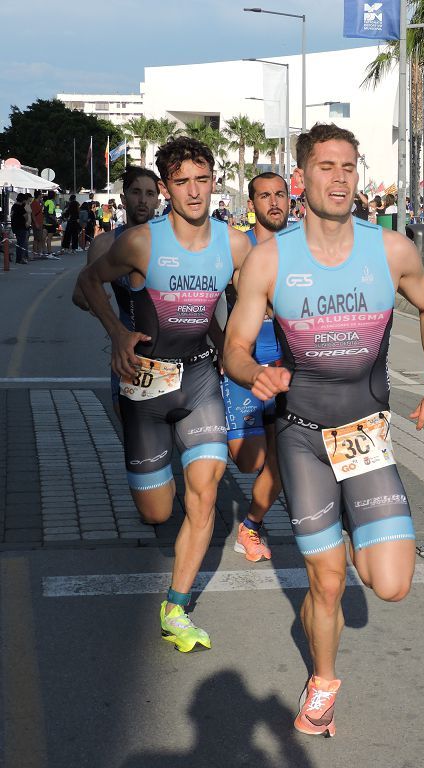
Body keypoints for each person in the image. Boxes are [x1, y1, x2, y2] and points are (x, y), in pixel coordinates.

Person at [222, 123, 424, 737]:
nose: (340, 176)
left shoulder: (391, 249)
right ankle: (322, 682)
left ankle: (348, 536)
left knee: (391, 584)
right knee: (327, 582)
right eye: (326, 166)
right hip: (301, 439)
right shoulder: (272, 259)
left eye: (348, 165)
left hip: (365, 436)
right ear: (303, 179)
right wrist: (256, 374)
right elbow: (234, 349)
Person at [76, 137, 253, 653]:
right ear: (166, 188)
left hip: (200, 380)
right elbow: (87, 283)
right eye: (182, 182)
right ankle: (159, 476)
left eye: (202, 179)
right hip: (145, 386)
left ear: (214, 180)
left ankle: (175, 606)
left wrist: (233, 345)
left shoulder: (234, 244)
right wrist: (116, 332)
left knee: (206, 494)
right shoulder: (139, 243)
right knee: (158, 511)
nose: (194, 192)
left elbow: (247, 298)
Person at [220, 171, 289, 562]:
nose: (274, 202)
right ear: (252, 204)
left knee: (282, 460)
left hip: (285, 367)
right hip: (245, 365)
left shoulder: (298, 247)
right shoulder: (237, 246)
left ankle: (251, 526)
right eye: (264, 196)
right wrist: (218, 344)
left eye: (280, 194)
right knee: (251, 460)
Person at [72, 166, 163, 421]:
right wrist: (98, 306)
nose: (143, 200)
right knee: (133, 431)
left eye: (149, 193)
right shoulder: (105, 244)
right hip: (128, 351)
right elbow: (80, 293)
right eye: (136, 192)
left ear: (158, 199)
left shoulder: (168, 241)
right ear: (123, 199)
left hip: (171, 350)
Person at [10, 193, 30, 264]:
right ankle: (19, 259)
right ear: (23, 200)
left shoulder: (14, 206)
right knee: (21, 243)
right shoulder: (20, 207)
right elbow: (26, 216)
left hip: (14, 227)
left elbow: (11, 215)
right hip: (21, 227)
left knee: (19, 243)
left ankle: (19, 258)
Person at [43, 191, 60, 257]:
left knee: (44, 238)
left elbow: (44, 212)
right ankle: (49, 252)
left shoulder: (46, 202)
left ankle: (44, 251)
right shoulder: (51, 202)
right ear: (54, 196)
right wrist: (56, 220)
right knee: (49, 238)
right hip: (50, 223)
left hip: (45, 222)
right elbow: (51, 214)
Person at [30, 190, 45, 259]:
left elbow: (39, 211)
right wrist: (36, 223)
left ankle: (39, 252)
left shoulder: (38, 203)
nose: (42, 195)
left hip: (40, 222)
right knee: (36, 238)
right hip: (37, 223)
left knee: (40, 238)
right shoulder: (34, 203)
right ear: (39, 195)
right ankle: (35, 253)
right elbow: (33, 214)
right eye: (41, 194)